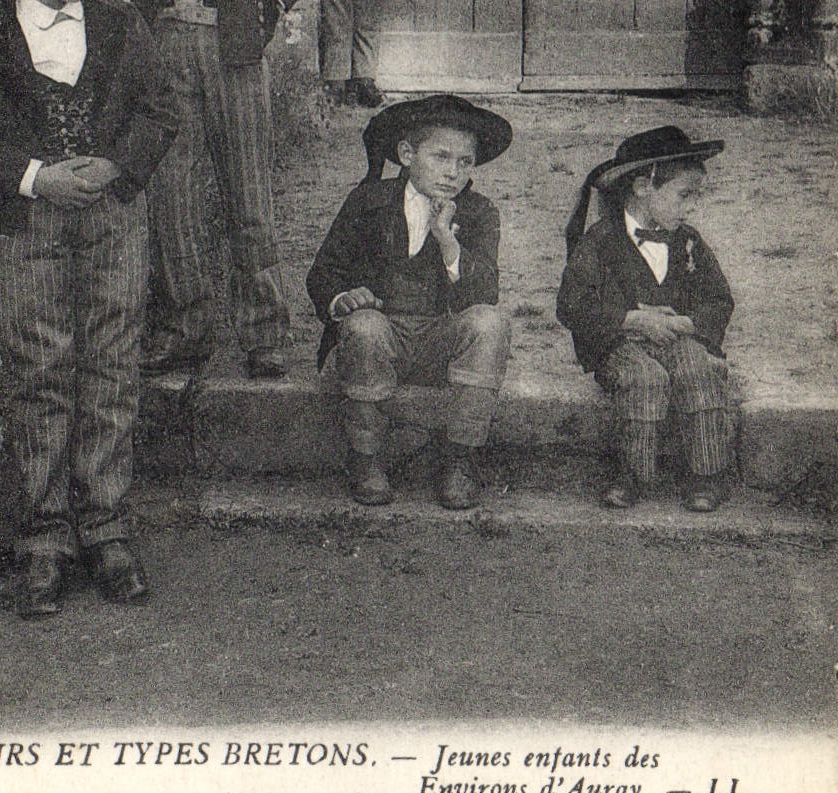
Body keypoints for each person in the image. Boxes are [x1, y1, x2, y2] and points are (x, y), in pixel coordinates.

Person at [0, 0, 178, 618]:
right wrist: (35, 176)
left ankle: (106, 528)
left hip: (113, 220)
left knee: (111, 362)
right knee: (39, 369)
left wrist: (114, 165)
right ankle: (44, 538)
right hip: (29, 227)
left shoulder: (121, 24)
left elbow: (159, 109)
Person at [102, 0, 328, 379]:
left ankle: (263, 331)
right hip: (163, 57)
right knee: (172, 194)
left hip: (234, 56)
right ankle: (187, 327)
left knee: (247, 191)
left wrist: (272, 1)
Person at [307, 95, 512, 509]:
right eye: (441, 157)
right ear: (406, 153)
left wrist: (448, 241)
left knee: (492, 323)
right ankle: (366, 457)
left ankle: (460, 458)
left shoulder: (478, 213)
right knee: (363, 327)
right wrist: (344, 299)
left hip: (440, 338)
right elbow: (323, 273)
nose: (453, 172)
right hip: (382, 338)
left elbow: (485, 293)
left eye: (464, 162)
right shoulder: (369, 201)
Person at [555, 125, 734, 512]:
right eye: (684, 195)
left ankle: (707, 473)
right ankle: (632, 475)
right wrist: (633, 320)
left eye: (696, 197)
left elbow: (718, 299)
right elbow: (571, 304)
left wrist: (685, 325)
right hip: (620, 343)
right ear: (642, 187)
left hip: (675, 337)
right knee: (644, 377)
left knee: (697, 368)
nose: (692, 207)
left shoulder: (687, 241)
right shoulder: (601, 241)